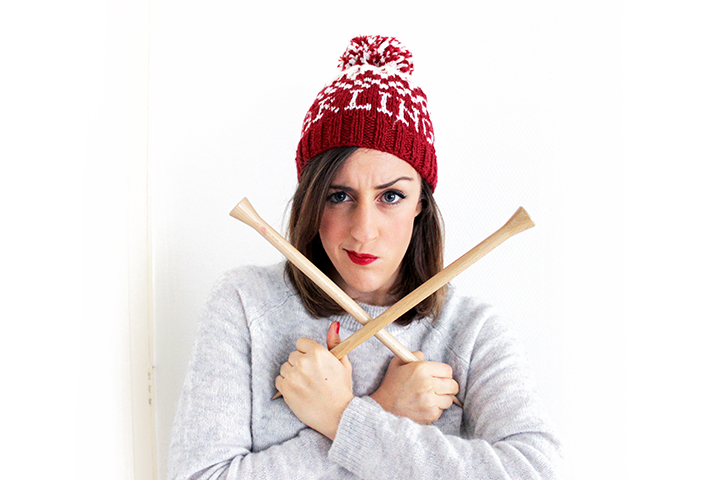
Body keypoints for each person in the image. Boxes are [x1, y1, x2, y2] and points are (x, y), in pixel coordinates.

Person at [168, 36, 562, 479]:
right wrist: (383, 407)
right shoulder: (245, 304)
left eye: (391, 196)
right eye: (339, 195)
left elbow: (536, 472)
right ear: (312, 200)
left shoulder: (471, 333)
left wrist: (345, 420)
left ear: (420, 203)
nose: (363, 230)